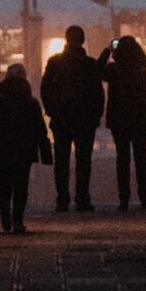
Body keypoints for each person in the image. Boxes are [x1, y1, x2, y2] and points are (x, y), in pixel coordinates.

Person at [0, 60, 52, 232]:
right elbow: (40, 130)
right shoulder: (31, 102)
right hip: (24, 149)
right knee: (21, 185)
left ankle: (5, 216)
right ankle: (18, 220)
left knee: (3, 184)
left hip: (2, 147)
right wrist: (46, 153)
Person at [39, 23, 106, 212]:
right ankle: (82, 198)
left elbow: (45, 88)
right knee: (84, 160)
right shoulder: (90, 64)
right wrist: (97, 115)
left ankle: (62, 199)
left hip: (61, 118)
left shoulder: (55, 62)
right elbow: (98, 92)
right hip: (85, 119)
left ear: (66, 39)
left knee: (61, 160)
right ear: (83, 40)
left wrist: (51, 109)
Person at [98, 31, 146, 210]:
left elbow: (98, 69)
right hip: (141, 117)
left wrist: (107, 50)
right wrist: (139, 51)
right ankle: (144, 196)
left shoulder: (113, 70)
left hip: (119, 118)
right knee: (141, 157)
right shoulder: (141, 69)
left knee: (122, 158)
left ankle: (124, 199)